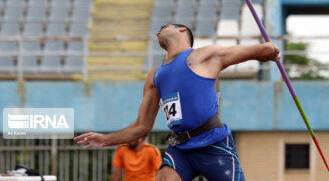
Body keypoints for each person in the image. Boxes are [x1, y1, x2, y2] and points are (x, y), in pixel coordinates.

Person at [75, 23, 281, 181]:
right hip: (180, 148)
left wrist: (270, 50)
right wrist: (105, 140)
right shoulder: (155, 76)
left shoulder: (202, 56)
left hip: (212, 142)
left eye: (164, 27)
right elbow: (141, 127)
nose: (158, 31)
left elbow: (256, 52)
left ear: (182, 30)